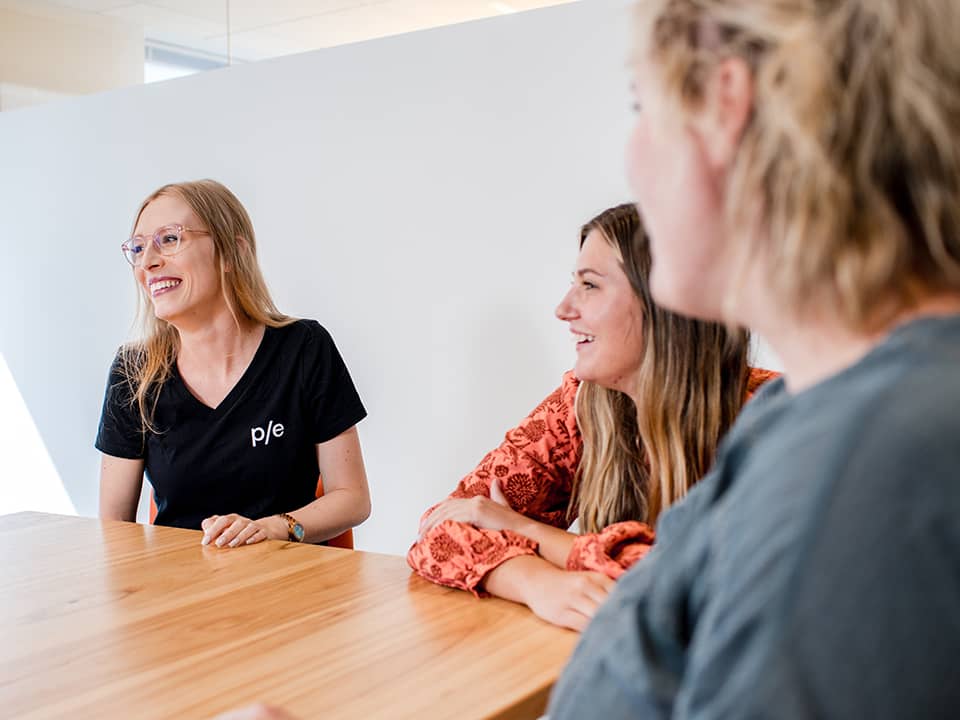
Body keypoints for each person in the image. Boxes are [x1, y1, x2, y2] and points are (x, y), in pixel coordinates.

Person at [548, 0, 960, 717]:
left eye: (644, 104)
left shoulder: (864, 467)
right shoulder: (801, 412)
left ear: (724, 107)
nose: (635, 154)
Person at [408, 203, 775, 630]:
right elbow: (442, 527)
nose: (564, 309)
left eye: (590, 286)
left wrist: (518, 528)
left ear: (666, 303)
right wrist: (537, 583)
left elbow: (695, 584)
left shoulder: (779, 418)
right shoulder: (581, 405)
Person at [97, 179, 371, 548]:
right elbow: (115, 532)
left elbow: (352, 498)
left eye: (170, 239)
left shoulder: (304, 348)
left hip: (290, 584)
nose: (148, 262)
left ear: (230, 253)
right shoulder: (133, 372)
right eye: (139, 247)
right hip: (181, 591)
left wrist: (275, 527)